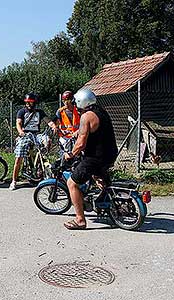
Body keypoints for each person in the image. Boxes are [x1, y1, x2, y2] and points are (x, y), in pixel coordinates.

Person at [63, 89, 118, 230]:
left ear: (81, 102)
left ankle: (80, 220)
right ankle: (106, 202)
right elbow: (93, 129)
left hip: (95, 157)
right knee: (98, 177)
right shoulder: (101, 112)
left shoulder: (85, 116)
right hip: (110, 155)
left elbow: (81, 144)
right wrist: (78, 132)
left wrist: (71, 154)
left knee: (72, 183)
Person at [9, 93, 55, 191]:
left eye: (31, 102)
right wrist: (20, 132)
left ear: (34, 102)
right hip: (25, 134)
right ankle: (14, 181)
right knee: (19, 157)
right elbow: (18, 123)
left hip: (36, 134)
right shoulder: (22, 112)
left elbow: (48, 121)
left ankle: (41, 161)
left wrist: (53, 126)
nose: (29, 104)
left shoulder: (39, 112)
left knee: (47, 140)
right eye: (27, 102)